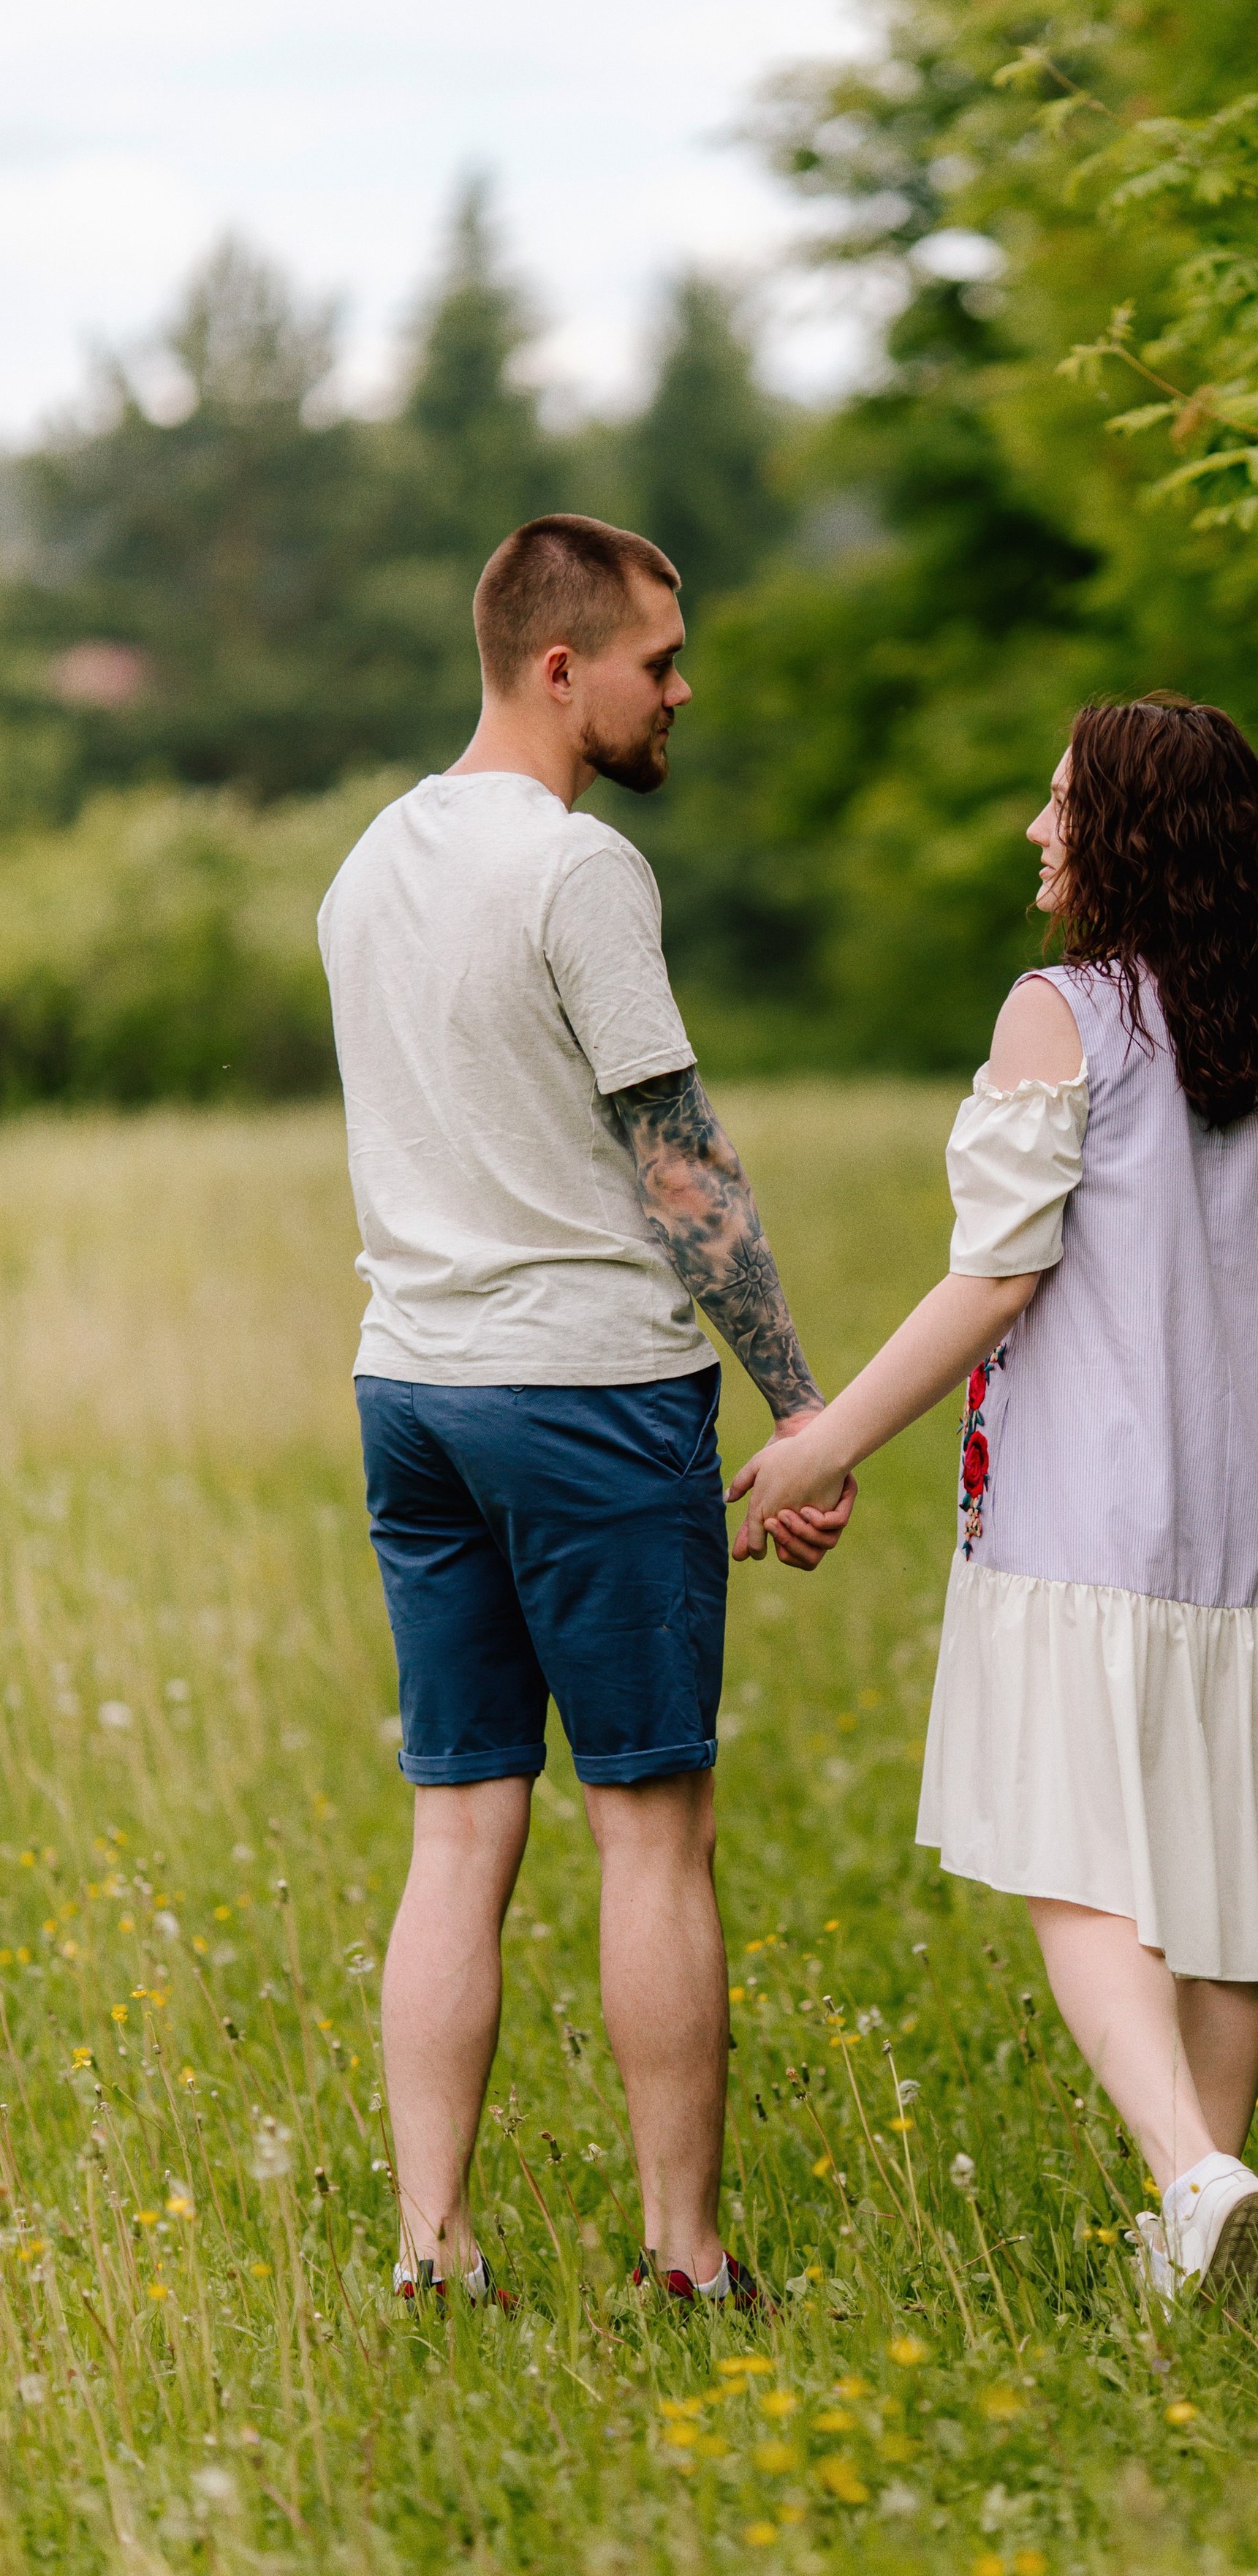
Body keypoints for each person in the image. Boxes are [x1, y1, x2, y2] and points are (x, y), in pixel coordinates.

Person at [732, 696, 1258, 2305]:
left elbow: (996, 1276)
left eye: (1061, 802)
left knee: (1076, 1866)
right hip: (1245, 1542)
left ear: (1134, 835)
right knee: (1221, 1888)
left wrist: (826, 1444)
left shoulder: (1059, 1014)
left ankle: (1194, 2171)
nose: (1036, 828)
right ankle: (1193, 2239)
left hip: (1078, 1521)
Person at [317, 513, 853, 2309]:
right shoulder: (577, 870)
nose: (678, 690)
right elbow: (680, 1166)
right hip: (588, 1394)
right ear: (562, 668)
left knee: (459, 1821)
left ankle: (431, 2247)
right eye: (658, 660)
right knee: (650, 1824)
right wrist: (806, 1408)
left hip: (412, 1388)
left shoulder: (368, 864)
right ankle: (686, 2262)